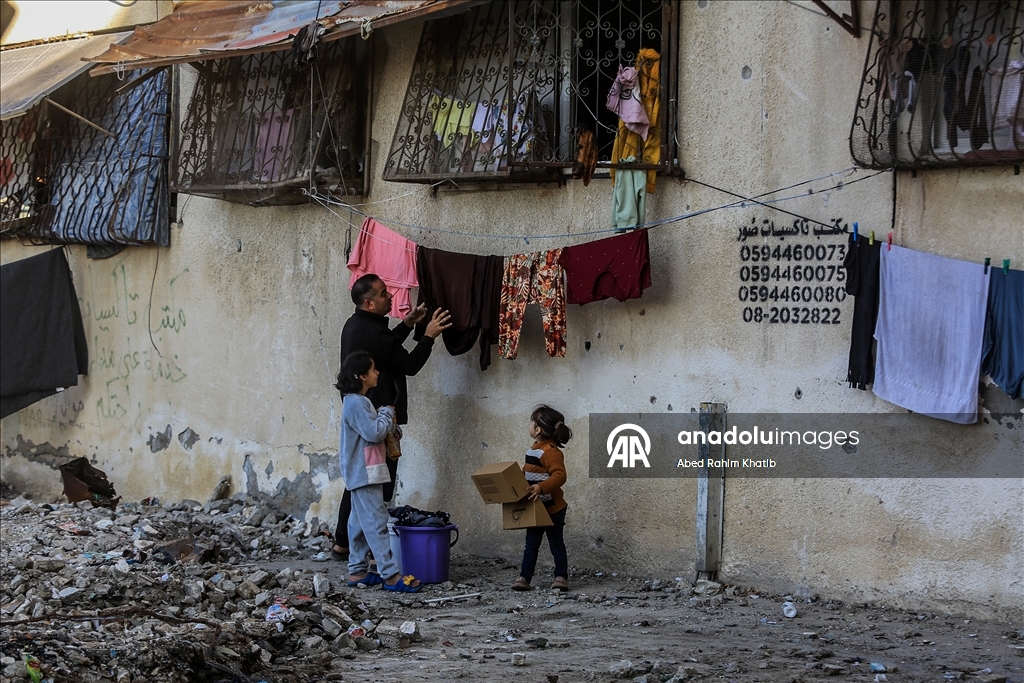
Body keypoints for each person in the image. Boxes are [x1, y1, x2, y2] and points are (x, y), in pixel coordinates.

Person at [331, 274, 451, 559]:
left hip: (368, 417)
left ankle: (343, 543)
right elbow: (407, 363)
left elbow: (387, 349)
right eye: (385, 294)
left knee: (361, 482)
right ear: (370, 303)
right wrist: (428, 336)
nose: (391, 297)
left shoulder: (357, 324)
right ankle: (363, 549)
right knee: (374, 484)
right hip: (377, 421)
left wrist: (408, 325)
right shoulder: (372, 332)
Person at [336, 351, 422, 592]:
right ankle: (391, 575)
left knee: (358, 523)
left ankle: (357, 571)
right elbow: (373, 432)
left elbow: (373, 433)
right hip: (365, 472)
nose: (377, 373)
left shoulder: (357, 402)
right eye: (373, 370)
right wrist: (386, 413)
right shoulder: (356, 402)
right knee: (376, 522)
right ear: (361, 376)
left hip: (363, 471)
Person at [511, 405, 573, 592]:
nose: (529, 424)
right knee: (531, 545)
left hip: (553, 508)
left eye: (532, 421)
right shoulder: (533, 450)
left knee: (556, 544)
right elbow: (528, 471)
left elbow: (559, 475)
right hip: (536, 508)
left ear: (537, 430)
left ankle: (561, 576)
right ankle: (524, 578)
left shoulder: (551, 451)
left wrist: (541, 487)